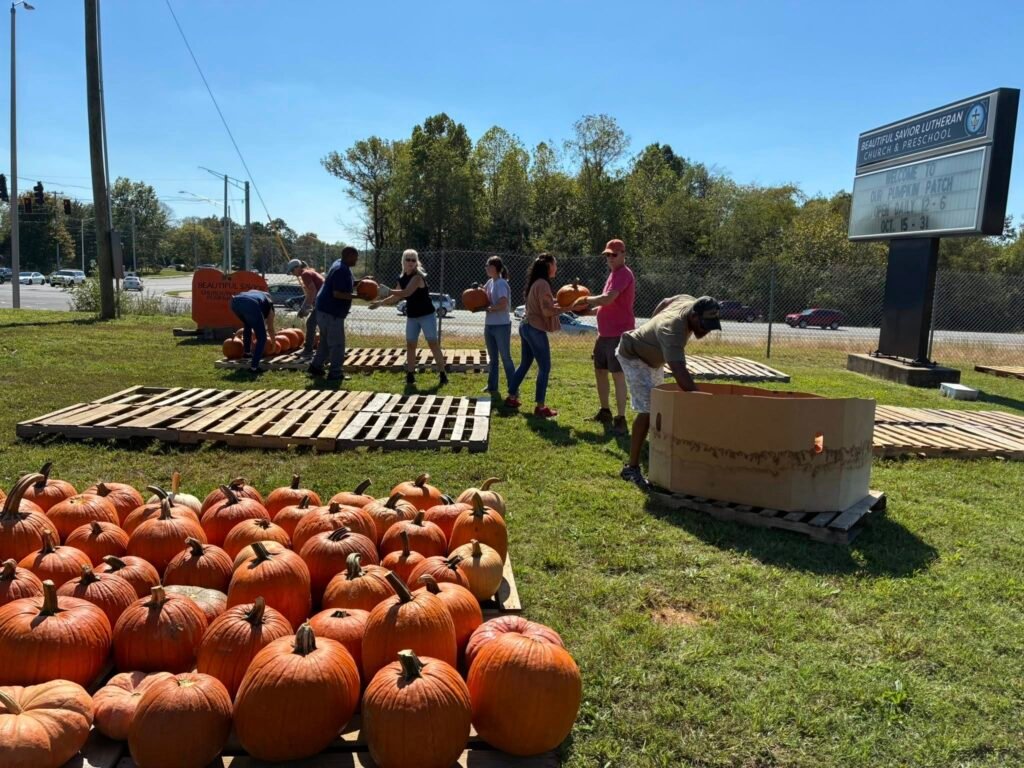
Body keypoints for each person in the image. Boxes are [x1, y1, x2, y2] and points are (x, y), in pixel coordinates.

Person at [615, 295, 722, 489]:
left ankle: (660, 452)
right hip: (633, 355)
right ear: (694, 317)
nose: (706, 331)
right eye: (705, 325)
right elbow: (681, 376)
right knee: (649, 410)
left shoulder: (689, 301)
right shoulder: (673, 330)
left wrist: (652, 329)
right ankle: (631, 468)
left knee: (659, 406)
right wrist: (708, 403)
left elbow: (665, 300)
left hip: (653, 358)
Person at [574, 238, 635, 435]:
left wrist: (584, 299)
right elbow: (606, 306)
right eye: (607, 255)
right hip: (604, 334)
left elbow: (608, 299)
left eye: (613, 254)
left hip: (619, 334)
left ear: (623, 254)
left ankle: (621, 419)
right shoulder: (613, 274)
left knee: (618, 376)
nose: (609, 258)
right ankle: (605, 411)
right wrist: (587, 312)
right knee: (600, 371)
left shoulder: (624, 274)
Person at [369, 249, 448, 386]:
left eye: (413, 260)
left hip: (426, 315)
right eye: (408, 259)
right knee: (410, 345)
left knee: (433, 344)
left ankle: (442, 374)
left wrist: (387, 290)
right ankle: (410, 375)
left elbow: (406, 292)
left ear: (416, 262)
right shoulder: (402, 278)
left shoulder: (418, 277)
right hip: (412, 316)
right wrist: (380, 303)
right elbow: (396, 296)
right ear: (403, 261)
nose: (411, 262)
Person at [508, 253, 563, 418]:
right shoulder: (543, 284)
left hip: (525, 326)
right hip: (534, 329)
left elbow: (545, 305)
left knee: (525, 363)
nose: (556, 267)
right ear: (548, 266)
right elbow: (547, 311)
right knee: (545, 367)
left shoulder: (536, 283)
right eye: (555, 264)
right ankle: (540, 407)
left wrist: (563, 303)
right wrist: (568, 308)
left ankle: (511, 398)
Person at [309, 246, 360, 382]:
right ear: (349, 255)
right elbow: (337, 293)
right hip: (331, 313)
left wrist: (361, 282)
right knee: (337, 344)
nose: (357, 260)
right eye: (355, 257)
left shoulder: (340, 264)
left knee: (325, 342)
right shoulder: (340, 270)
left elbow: (346, 284)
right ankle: (335, 373)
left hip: (324, 310)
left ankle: (315, 367)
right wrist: (359, 296)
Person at [480, 256, 516, 398]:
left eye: (489, 265)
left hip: (501, 326)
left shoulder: (501, 283)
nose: (486, 268)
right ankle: (492, 386)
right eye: (486, 265)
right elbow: (483, 297)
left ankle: (513, 388)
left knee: (506, 357)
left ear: (497, 268)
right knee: (493, 359)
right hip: (489, 325)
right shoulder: (490, 282)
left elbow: (503, 304)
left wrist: (489, 308)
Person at [229, 289, 275, 374]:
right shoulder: (269, 304)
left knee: (247, 324)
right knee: (262, 338)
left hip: (235, 302)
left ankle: (247, 352)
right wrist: (274, 344)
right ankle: (254, 367)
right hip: (251, 304)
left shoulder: (254, 293)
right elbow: (270, 328)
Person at [286, 258, 324, 356]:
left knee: (311, 324)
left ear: (297, 267)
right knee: (321, 326)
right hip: (324, 302)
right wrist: (303, 307)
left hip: (324, 303)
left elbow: (313, 291)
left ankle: (308, 350)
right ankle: (326, 350)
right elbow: (310, 294)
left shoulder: (305, 274)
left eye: (292, 271)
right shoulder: (308, 272)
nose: (292, 273)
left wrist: (305, 308)